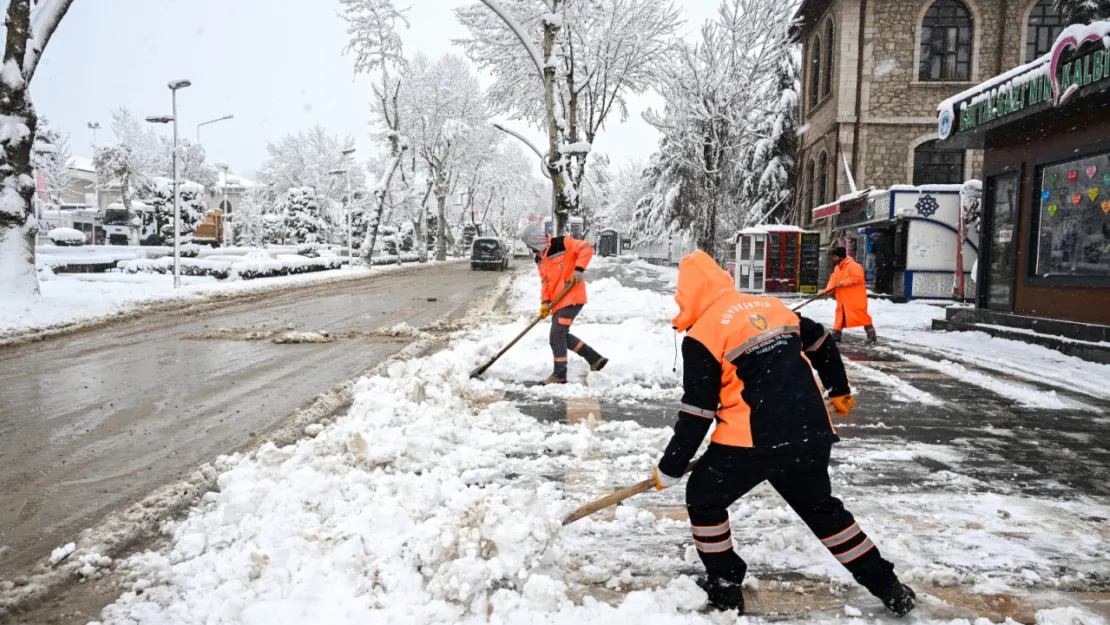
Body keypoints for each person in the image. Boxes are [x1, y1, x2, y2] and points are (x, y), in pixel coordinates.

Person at [652, 250, 915, 616]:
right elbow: (821, 338)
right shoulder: (773, 306)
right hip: (809, 430)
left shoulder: (703, 334)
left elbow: (698, 410)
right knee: (822, 511)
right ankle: (888, 586)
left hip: (751, 441)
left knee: (704, 498)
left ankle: (725, 586)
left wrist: (672, 464)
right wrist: (838, 388)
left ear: (689, 293)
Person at [519, 223, 608, 385]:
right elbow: (545, 282)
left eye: (529, 244)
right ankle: (595, 359)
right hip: (558, 302)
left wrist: (579, 269)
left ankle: (560, 374)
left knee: (556, 336)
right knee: (561, 335)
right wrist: (545, 303)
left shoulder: (562, 243)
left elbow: (587, 247)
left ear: (535, 240)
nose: (529, 248)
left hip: (572, 296)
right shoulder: (539, 258)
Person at [824, 247, 877, 343]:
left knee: (862, 316)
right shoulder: (837, 268)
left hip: (854, 298)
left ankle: (871, 335)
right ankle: (836, 335)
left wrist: (844, 282)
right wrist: (827, 290)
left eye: (835, 257)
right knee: (840, 316)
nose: (834, 259)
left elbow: (857, 278)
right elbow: (833, 280)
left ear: (841, 256)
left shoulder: (854, 266)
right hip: (843, 299)